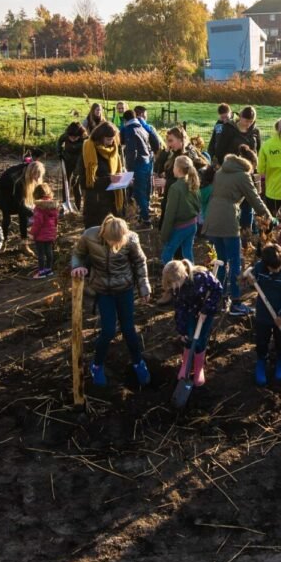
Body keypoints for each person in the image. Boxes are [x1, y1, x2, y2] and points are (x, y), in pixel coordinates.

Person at [72, 216, 153, 388]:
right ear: (103, 233)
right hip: (102, 290)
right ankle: (97, 365)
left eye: (118, 242)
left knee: (129, 329)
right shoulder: (89, 236)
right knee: (108, 330)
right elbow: (78, 254)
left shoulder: (131, 239)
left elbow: (140, 262)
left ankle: (138, 363)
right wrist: (77, 266)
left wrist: (144, 287)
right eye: (111, 241)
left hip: (124, 288)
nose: (114, 245)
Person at [205, 154, 271, 315]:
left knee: (221, 260)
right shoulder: (243, 175)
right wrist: (269, 217)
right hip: (227, 220)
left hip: (212, 217)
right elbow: (254, 199)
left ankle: (220, 297)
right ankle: (235, 302)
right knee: (235, 261)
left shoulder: (221, 171)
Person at [245, 242, 281, 385]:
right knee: (262, 339)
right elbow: (253, 283)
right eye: (271, 268)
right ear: (264, 263)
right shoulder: (259, 268)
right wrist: (250, 281)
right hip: (263, 312)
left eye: (276, 268)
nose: (274, 271)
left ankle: (280, 360)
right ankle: (261, 360)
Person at [169, 257, 224, 389]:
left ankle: (198, 369)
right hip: (189, 313)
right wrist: (181, 331)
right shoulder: (176, 287)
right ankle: (185, 364)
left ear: (182, 276)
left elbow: (218, 290)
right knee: (189, 337)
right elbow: (179, 310)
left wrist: (206, 309)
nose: (173, 286)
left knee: (200, 341)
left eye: (173, 283)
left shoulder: (202, 277)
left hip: (205, 313)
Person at [157, 155, 202, 265]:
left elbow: (170, 213)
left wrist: (164, 233)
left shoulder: (175, 188)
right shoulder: (193, 183)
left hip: (180, 227)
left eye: (173, 167)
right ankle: (191, 275)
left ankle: (168, 275)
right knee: (187, 252)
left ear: (177, 169)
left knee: (167, 253)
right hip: (192, 224)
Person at [80, 122, 125, 228]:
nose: (111, 142)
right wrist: (110, 180)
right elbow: (85, 182)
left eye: (113, 138)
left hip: (112, 204)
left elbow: (117, 171)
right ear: (100, 137)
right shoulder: (88, 151)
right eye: (108, 139)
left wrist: (123, 180)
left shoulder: (114, 151)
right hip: (95, 205)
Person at [0, 154, 45, 242]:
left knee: (23, 215)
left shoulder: (29, 168)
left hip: (13, 193)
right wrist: (35, 214)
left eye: (40, 175)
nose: (38, 178)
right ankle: (3, 240)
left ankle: (24, 242)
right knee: (7, 216)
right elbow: (21, 205)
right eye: (37, 175)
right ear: (32, 173)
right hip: (1, 195)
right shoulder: (19, 182)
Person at [119, 111, 157, 228]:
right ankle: (143, 215)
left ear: (125, 120)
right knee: (145, 190)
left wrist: (129, 171)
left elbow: (131, 152)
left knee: (139, 193)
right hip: (147, 162)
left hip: (138, 165)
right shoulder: (142, 128)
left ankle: (145, 220)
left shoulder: (130, 130)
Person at [153, 126, 207, 199]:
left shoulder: (190, 155)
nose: (169, 144)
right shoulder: (174, 152)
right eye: (168, 141)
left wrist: (167, 183)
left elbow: (190, 181)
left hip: (182, 200)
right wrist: (166, 151)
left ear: (180, 139)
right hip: (171, 196)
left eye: (171, 141)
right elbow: (157, 168)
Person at [57, 121, 87, 212]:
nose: (73, 139)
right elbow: (59, 142)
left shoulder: (85, 140)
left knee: (76, 184)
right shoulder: (66, 135)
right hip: (67, 160)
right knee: (65, 184)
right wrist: (59, 152)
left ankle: (77, 207)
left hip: (79, 161)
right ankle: (65, 205)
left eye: (75, 137)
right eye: (71, 137)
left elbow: (81, 160)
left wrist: (76, 174)